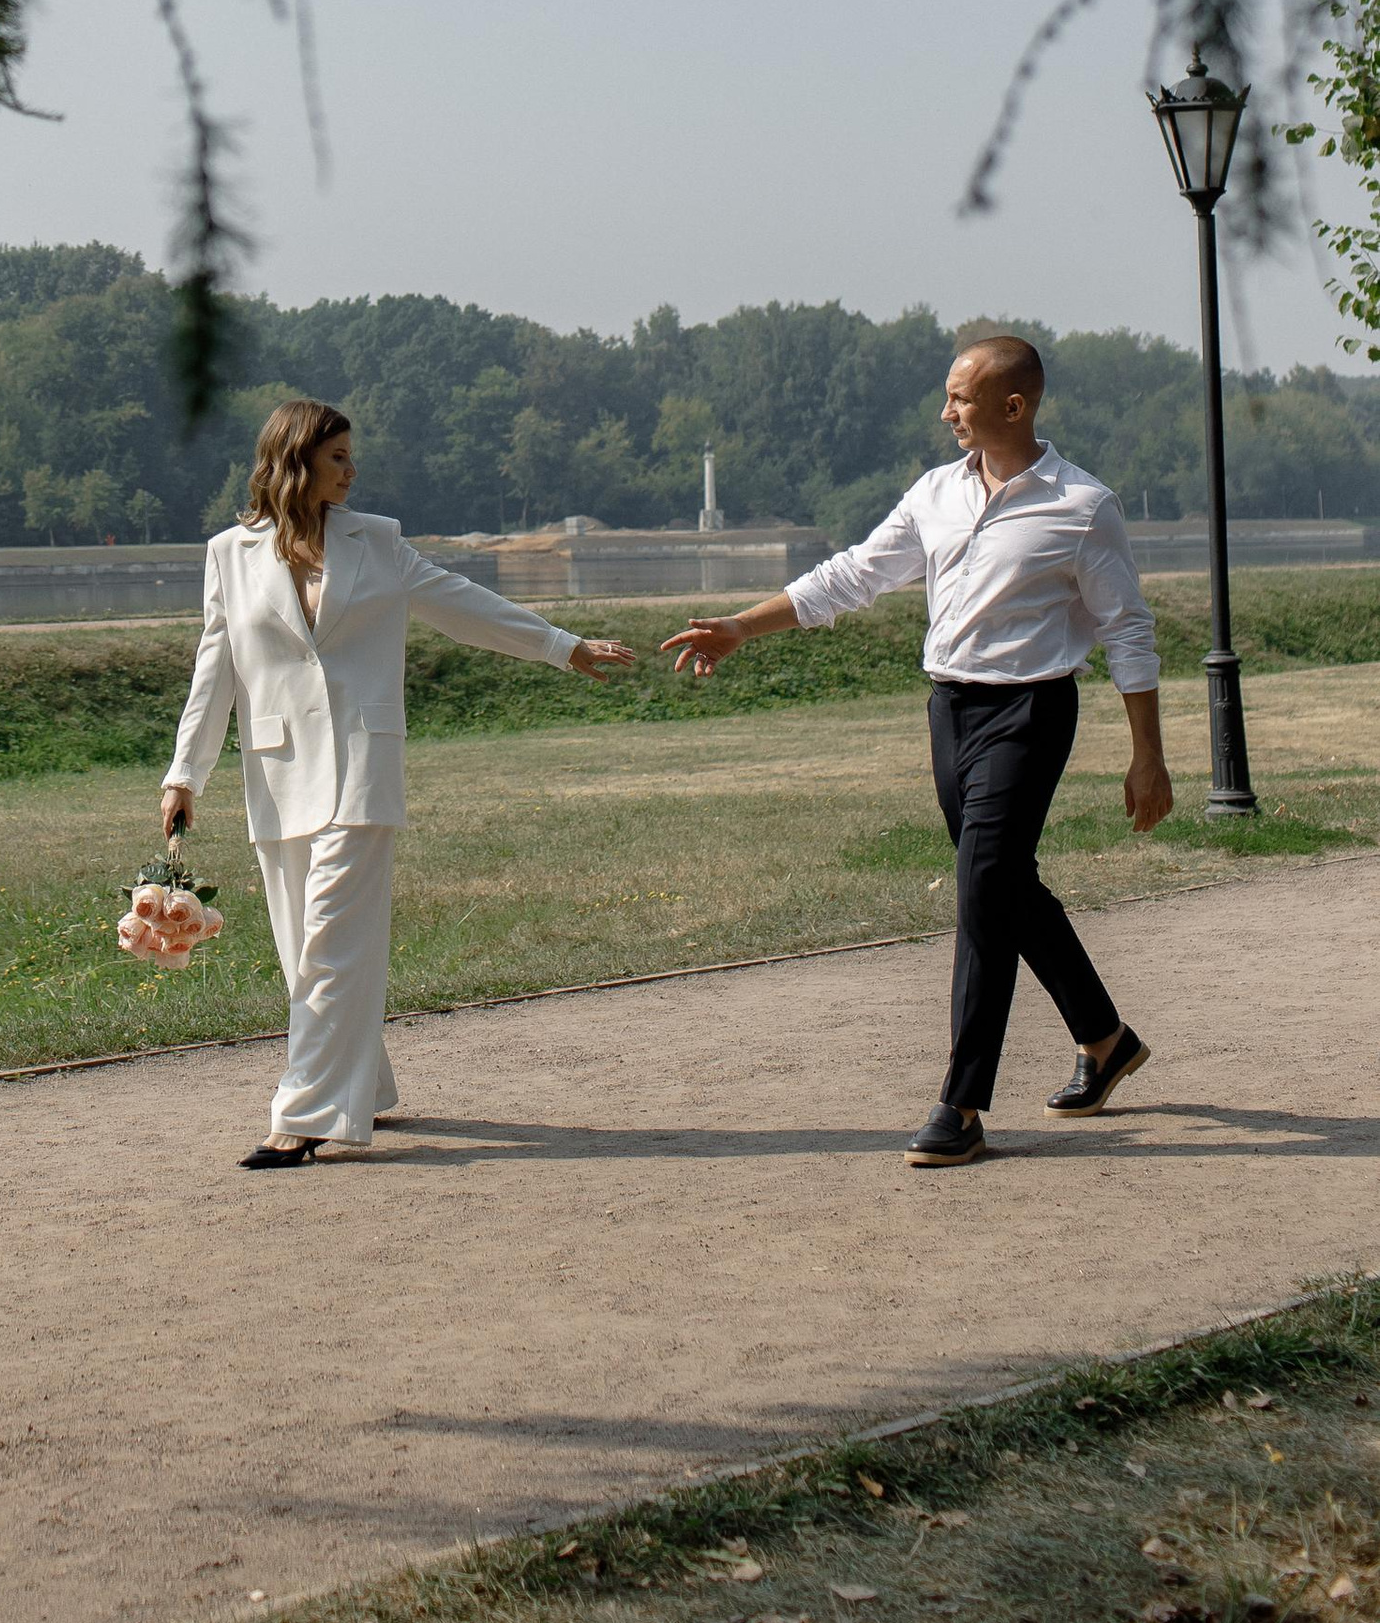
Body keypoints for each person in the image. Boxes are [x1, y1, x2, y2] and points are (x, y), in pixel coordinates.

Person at [662, 335, 1171, 1169]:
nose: (946, 413)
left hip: (1032, 712)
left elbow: (1128, 630)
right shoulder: (936, 493)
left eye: (961, 399)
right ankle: (1105, 1039)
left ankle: (962, 1104)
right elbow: (852, 575)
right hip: (951, 713)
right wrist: (741, 629)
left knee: (981, 895)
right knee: (1003, 885)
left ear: (1014, 406)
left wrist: (1147, 753)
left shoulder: (1083, 506)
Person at [162, 398, 637, 1166]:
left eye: (352, 457)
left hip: (359, 766)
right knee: (303, 950)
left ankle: (303, 1115)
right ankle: (363, 1086)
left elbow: (461, 605)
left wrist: (563, 646)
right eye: (339, 458)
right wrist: (185, 774)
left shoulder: (377, 542)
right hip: (277, 775)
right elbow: (213, 669)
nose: (354, 471)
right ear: (297, 461)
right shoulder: (230, 554)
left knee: (331, 945)